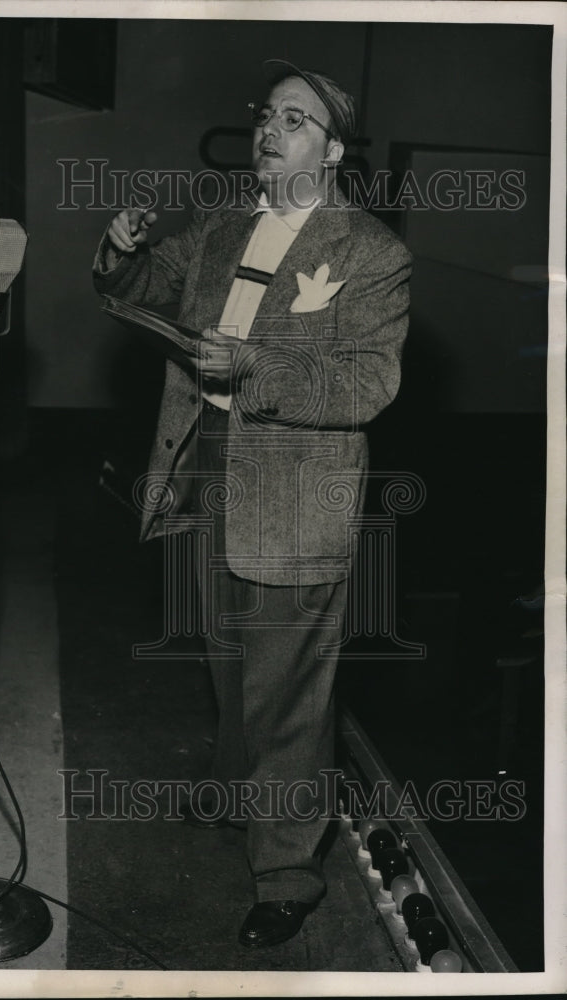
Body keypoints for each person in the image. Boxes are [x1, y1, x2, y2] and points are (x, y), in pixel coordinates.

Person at [93, 59, 412, 948]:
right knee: (225, 656)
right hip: (205, 459)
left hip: (298, 486)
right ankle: (240, 794)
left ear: (335, 147)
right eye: (268, 115)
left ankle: (287, 872)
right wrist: (121, 254)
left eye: (296, 120)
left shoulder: (371, 252)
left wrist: (258, 368)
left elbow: (369, 383)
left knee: (289, 692)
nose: (272, 130)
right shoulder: (225, 221)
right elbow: (152, 292)